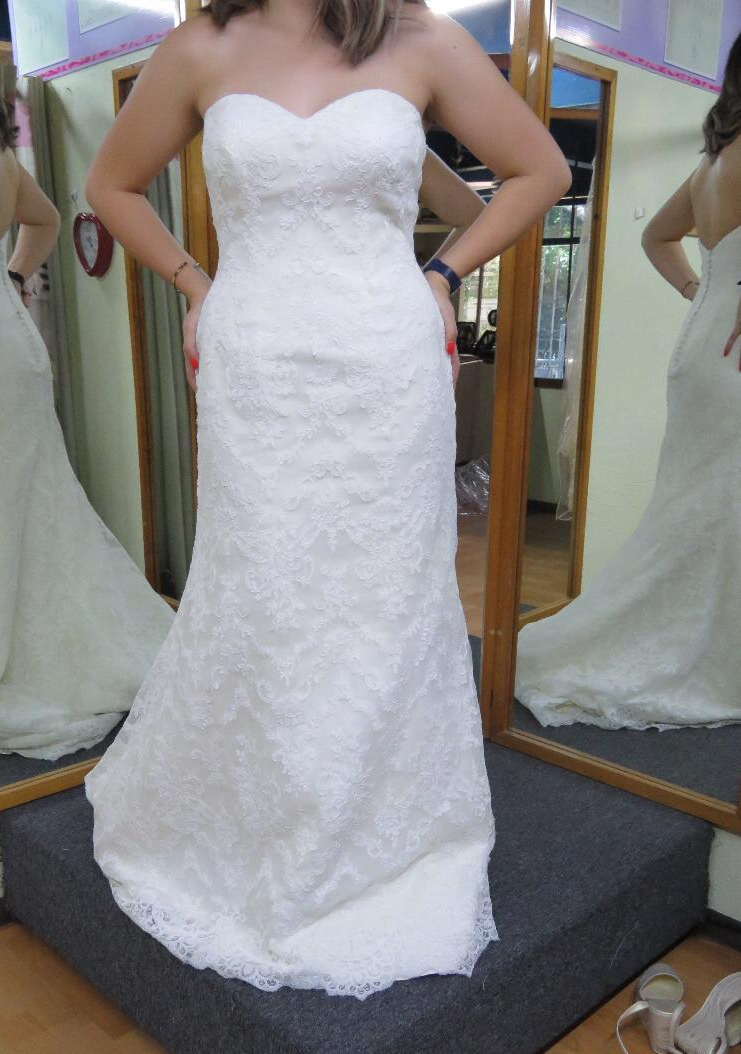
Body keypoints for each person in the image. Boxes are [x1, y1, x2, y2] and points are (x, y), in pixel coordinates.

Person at [82, 0, 571, 998]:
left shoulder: (420, 36)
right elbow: (109, 184)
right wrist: (194, 281)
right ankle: (265, 820)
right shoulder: (203, 44)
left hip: (387, 359)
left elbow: (541, 171)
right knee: (265, 592)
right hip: (256, 361)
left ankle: (379, 830)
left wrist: (444, 272)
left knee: (383, 599)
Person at [515, 32, 741, 732]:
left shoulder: (714, 160)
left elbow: (656, 238)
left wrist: (702, 293)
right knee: (718, 512)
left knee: (696, 508)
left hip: (704, 348)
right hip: (731, 355)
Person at [0, 36, 174, 761]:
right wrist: (9, 279)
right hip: (6, 340)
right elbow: (45, 221)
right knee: (24, 503)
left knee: (2, 508)